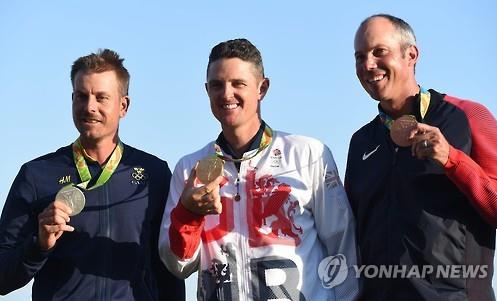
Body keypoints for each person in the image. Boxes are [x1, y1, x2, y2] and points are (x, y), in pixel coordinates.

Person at [158, 38, 359, 300]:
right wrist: (188, 215)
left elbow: (343, 247)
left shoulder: (307, 153)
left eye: (238, 83)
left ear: (262, 88)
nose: (226, 94)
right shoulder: (190, 168)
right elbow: (178, 265)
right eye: (217, 85)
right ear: (207, 90)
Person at [0, 49, 185, 300]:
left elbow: (168, 267)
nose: (90, 107)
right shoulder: (36, 175)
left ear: (123, 106)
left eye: (101, 97)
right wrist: (38, 246)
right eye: (81, 96)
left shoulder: (154, 174)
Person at [345, 14, 497, 300]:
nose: (368, 64)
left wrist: (452, 159)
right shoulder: (360, 142)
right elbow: (348, 232)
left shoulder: (468, 117)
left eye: (380, 52)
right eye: (359, 56)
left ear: (411, 55)